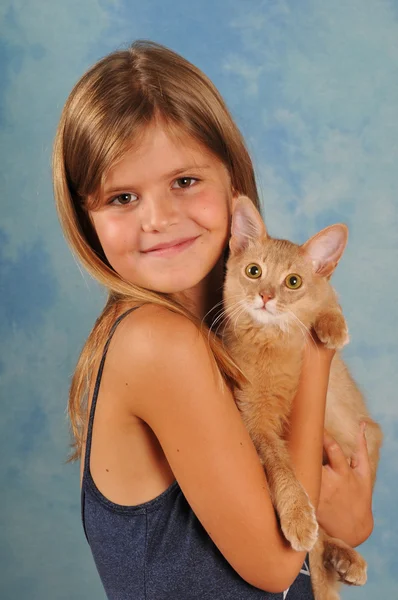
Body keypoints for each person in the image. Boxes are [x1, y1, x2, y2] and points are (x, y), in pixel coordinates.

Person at [53, 40, 374, 599]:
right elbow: (277, 564)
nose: (159, 219)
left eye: (184, 182)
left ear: (234, 182)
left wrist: (342, 521)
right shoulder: (156, 342)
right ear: (88, 218)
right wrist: (318, 342)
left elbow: (320, 515)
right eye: (123, 197)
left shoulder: (213, 333)